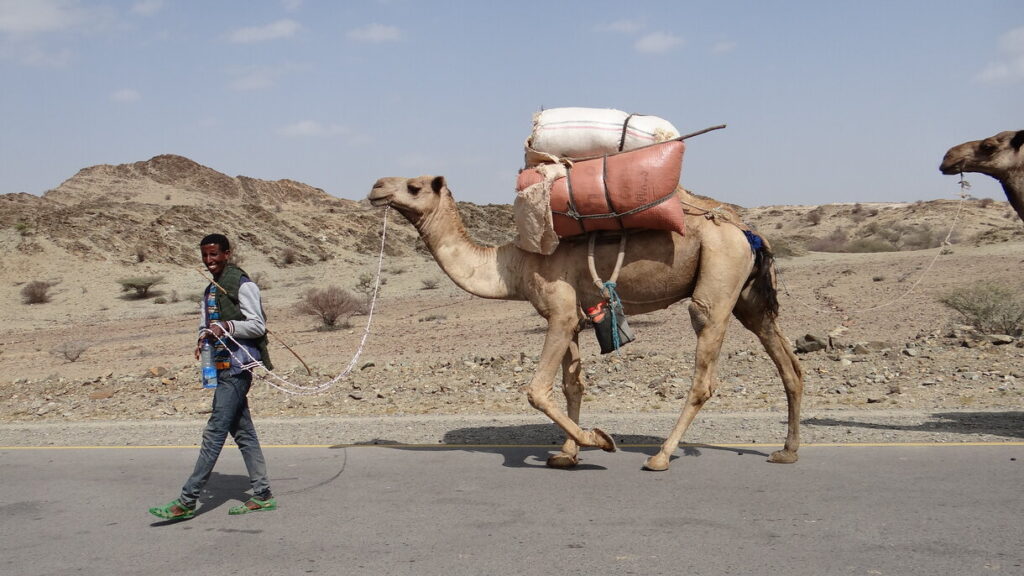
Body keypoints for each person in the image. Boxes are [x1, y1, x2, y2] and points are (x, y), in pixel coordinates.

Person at [149, 233, 276, 520]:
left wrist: (227, 326)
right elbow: (205, 324)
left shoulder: (243, 285)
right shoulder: (210, 290)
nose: (209, 261)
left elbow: (257, 326)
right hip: (219, 368)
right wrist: (203, 339)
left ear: (228, 254)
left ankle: (187, 499)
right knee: (244, 434)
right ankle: (263, 493)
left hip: (237, 369)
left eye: (215, 255)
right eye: (205, 256)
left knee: (214, 433)